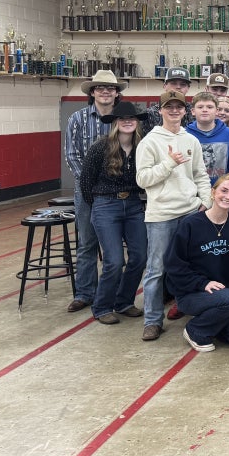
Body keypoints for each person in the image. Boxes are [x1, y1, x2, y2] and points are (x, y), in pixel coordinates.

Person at [135, 89, 212, 342]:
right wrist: (169, 163)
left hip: (190, 211)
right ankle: (152, 320)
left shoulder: (191, 140)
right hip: (162, 214)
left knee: (190, 266)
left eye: (179, 107)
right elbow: (142, 179)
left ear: (185, 111)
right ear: (161, 111)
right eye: (169, 107)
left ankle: (189, 309)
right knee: (156, 269)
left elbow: (200, 174)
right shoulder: (149, 142)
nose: (174, 111)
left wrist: (205, 201)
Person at [165, 173, 229, 352]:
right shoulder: (190, 224)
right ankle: (195, 329)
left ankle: (214, 322)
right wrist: (203, 283)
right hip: (192, 293)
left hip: (226, 294)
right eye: (224, 190)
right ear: (213, 193)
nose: (227, 196)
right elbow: (173, 264)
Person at [78, 100, 148, 325]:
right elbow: (86, 183)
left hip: (135, 205)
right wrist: (100, 205)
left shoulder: (143, 147)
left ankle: (124, 301)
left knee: (139, 256)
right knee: (114, 260)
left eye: (131, 119)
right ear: (115, 122)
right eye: (122, 119)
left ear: (137, 122)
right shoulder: (101, 147)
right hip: (106, 205)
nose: (127, 122)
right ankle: (102, 306)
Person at [64, 69, 125, 314]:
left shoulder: (124, 119)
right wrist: (89, 183)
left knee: (116, 247)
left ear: (117, 93)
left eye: (110, 88)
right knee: (87, 242)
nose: (105, 92)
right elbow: (71, 154)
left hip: (117, 190)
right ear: (92, 92)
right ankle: (85, 293)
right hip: (88, 191)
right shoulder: (77, 119)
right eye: (100, 88)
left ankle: (114, 295)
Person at [186, 92, 229, 185]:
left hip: (221, 191)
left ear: (217, 111)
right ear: (193, 111)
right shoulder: (185, 134)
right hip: (192, 191)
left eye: (209, 107)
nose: (205, 110)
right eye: (200, 107)